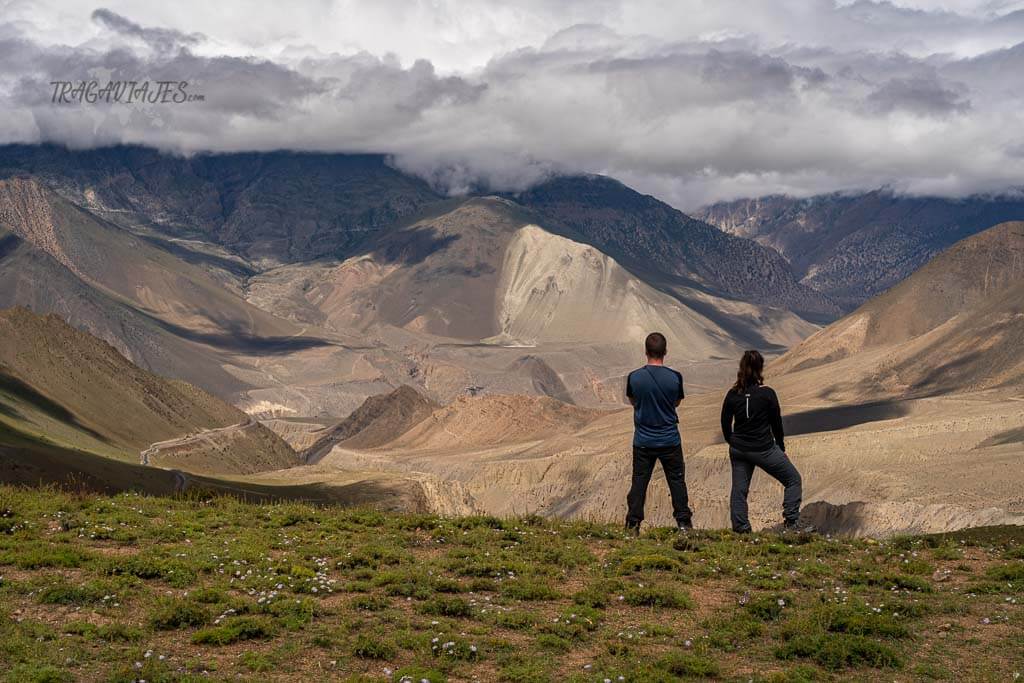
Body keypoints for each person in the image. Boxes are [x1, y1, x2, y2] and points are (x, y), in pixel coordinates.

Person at [720, 350, 806, 533]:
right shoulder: (767, 394)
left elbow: (725, 423)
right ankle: (791, 522)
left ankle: (741, 529)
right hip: (763, 449)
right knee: (793, 480)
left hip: (739, 449)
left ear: (741, 368)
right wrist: (780, 446)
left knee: (739, 490)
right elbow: (776, 423)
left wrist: (733, 442)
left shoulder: (732, 394)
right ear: (760, 368)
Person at [624, 332, 693, 535]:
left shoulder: (634, 377)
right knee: (677, 481)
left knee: (639, 482)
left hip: (643, 440)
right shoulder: (675, 377)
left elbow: (633, 400)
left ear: (646, 352)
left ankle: (633, 524)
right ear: (665, 352)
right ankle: (684, 523)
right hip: (670, 439)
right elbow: (676, 402)